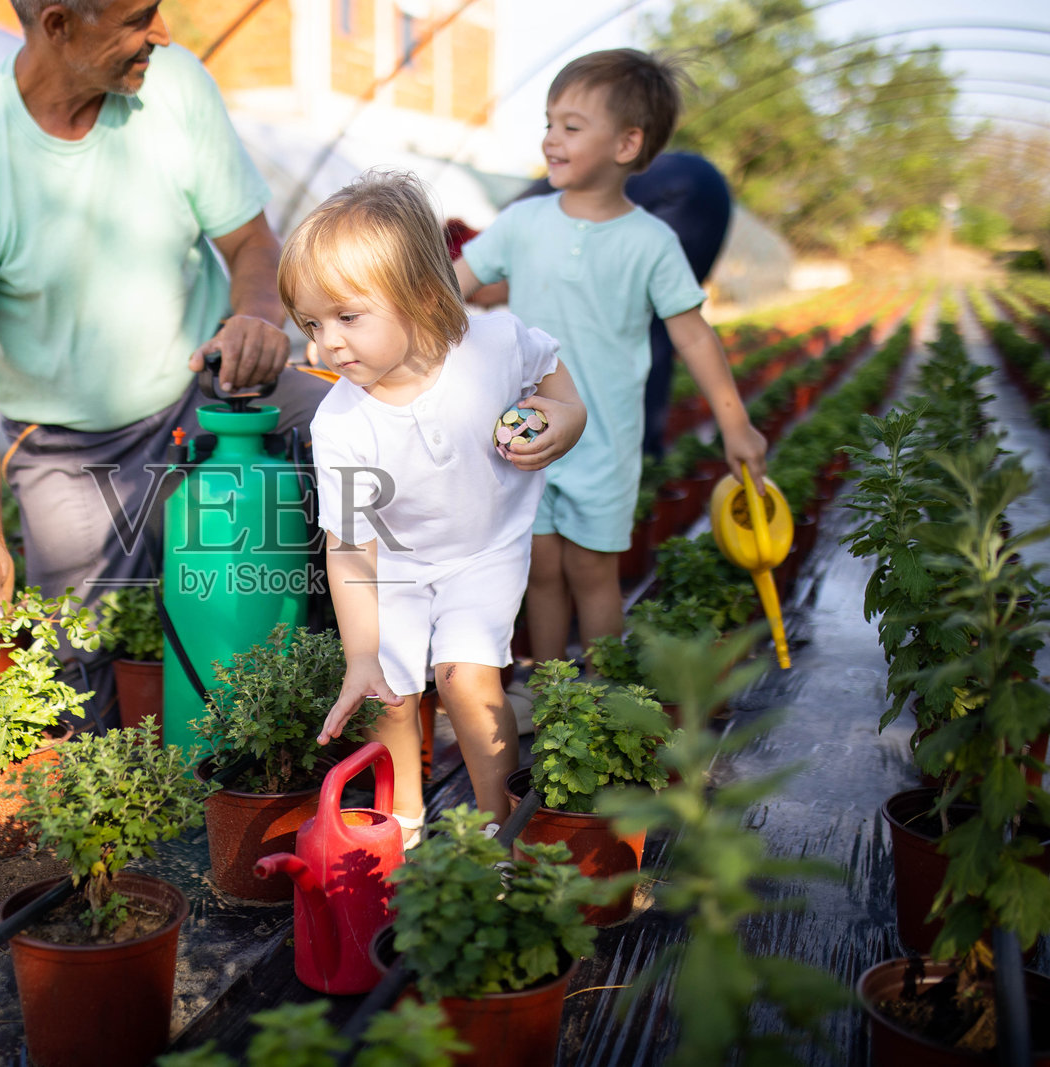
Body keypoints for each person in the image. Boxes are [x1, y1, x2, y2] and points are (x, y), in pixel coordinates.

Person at [0, 0, 331, 719]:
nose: (161, 35)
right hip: (68, 448)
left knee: (356, 428)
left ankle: (344, 693)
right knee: (82, 687)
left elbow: (254, 245)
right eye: (140, 18)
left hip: (206, 392)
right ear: (58, 24)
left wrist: (257, 316)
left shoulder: (176, 85)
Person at [284, 170, 587, 838]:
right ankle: (404, 821)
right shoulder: (342, 421)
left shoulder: (495, 344)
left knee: (466, 679)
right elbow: (351, 547)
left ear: (420, 295)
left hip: (486, 548)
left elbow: (561, 392)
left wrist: (561, 424)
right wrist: (360, 654)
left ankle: (495, 824)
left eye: (347, 316)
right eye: (311, 321)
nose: (326, 342)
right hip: (394, 561)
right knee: (387, 694)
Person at [454, 49, 765, 666]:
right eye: (548, 123)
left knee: (593, 572)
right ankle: (549, 689)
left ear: (627, 144)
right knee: (539, 571)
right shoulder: (523, 223)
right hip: (525, 430)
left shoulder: (651, 241)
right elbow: (449, 289)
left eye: (571, 126)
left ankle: (601, 698)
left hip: (606, 441)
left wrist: (735, 423)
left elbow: (694, 335)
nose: (550, 139)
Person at [471, 151, 733, 458]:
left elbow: (518, 281)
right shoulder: (550, 203)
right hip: (703, 189)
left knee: (642, 325)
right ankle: (637, 448)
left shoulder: (521, 221)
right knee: (651, 325)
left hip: (683, 194)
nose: (488, 308)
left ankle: (633, 448)